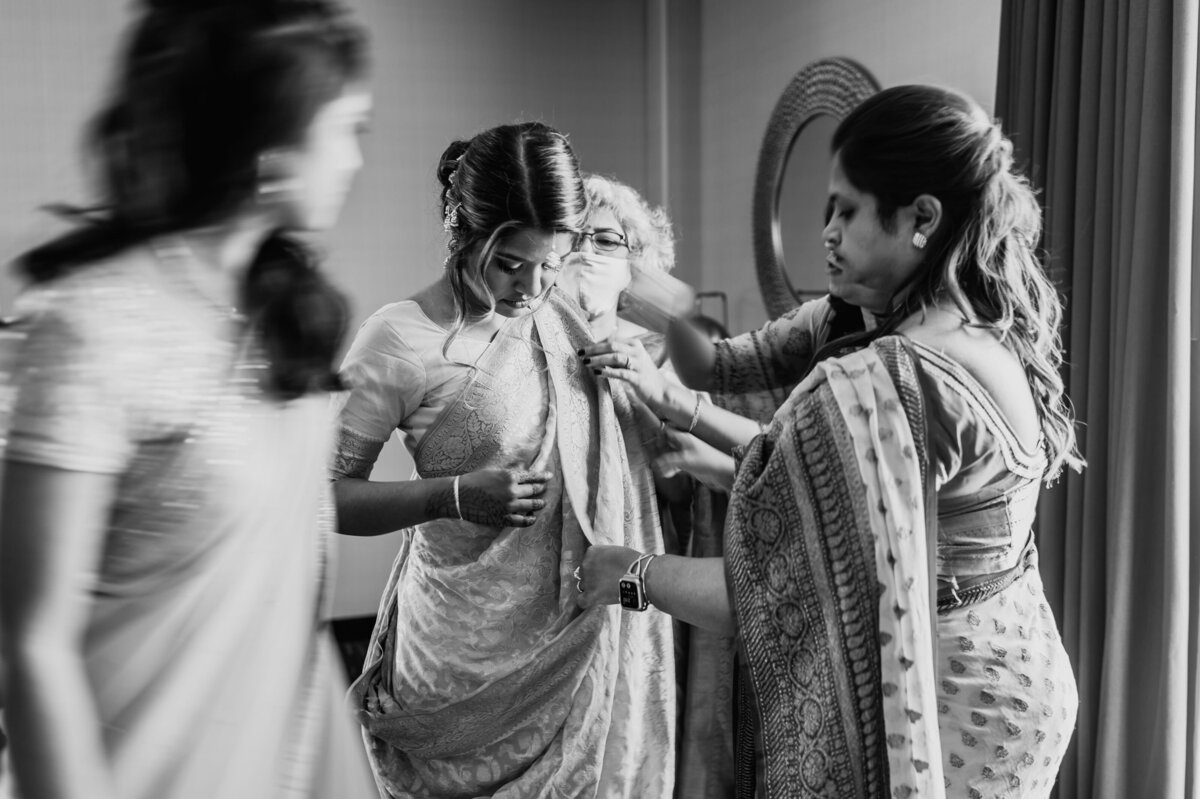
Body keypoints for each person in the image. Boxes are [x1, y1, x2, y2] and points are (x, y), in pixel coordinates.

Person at [578, 84, 1082, 798]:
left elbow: (773, 588)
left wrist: (628, 572)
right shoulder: (979, 324)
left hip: (951, 709)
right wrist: (665, 313)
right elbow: (750, 398)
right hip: (1019, 673)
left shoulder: (893, 377)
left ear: (921, 218)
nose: (828, 231)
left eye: (846, 210)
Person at [0, 2, 376, 798]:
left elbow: (291, 611)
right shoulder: (92, 327)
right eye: (347, 129)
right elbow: (34, 643)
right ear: (274, 151)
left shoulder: (290, 319)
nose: (352, 159)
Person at [332, 123, 674, 798]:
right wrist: (451, 494)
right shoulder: (401, 339)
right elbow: (323, 498)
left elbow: (672, 327)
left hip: (571, 649)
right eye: (510, 264)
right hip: (456, 665)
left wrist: (643, 375)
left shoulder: (564, 312)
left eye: (553, 261)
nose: (533, 287)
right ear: (462, 232)